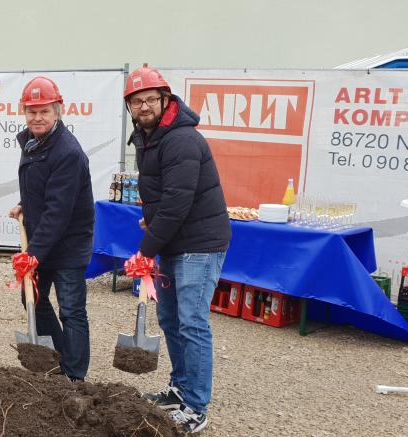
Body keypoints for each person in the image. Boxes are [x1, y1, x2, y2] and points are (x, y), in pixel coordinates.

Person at [125, 66, 230, 434]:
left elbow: (177, 203)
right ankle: (180, 387)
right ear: (130, 107)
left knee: (192, 322)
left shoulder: (181, 139)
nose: (144, 106)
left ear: (165, 100)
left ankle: (196, 405)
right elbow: (165, 198)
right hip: (176, 241)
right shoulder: (148, 138)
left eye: (151, 99)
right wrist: (152, 221)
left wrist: (145, 249)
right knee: (171, 320)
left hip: (199, 245)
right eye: (137, 101)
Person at [6, 76, 95, 381]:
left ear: (58, 111)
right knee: (33, 300)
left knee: (71, 310)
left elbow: (58, 210)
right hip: (45, 242)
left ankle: (75, 376)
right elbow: (45, 189)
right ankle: (57, 359)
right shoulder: (34, 142)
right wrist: (24, 204)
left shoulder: (67, 151)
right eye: (31, 111)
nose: (37, 117)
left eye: (44, 111)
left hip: (68, 245)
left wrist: (33, 254)